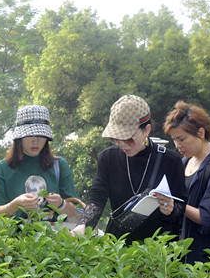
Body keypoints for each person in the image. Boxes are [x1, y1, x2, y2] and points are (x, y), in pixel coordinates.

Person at [72, 95, 187, 242]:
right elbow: (97, 198)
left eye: (128, 138)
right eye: (115, 138)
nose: (122, 144)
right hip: (119, 245)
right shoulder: (108, 158)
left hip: (159, 250)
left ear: (146, 130)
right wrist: (83, 225)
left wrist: (171, 208)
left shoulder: (170, 160)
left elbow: (183, 206)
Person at [163, 102, 210, 266]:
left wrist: (178, 206)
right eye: (174, 140)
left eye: (182, 139)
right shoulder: (183, 163)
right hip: (184, 258)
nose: (178, 145)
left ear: (201, 132)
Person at [0, 105, 78, 221]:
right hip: (14, 237)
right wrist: (14, 205)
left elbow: (73, 212)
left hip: (53, 236)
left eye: (41, 135)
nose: (36, 141)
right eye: (30, 135)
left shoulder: (59, 165)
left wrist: (61, 204)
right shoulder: (3, 168)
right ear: (20, 137)